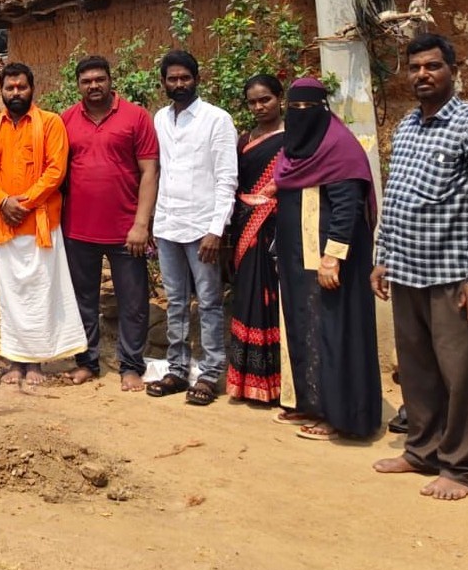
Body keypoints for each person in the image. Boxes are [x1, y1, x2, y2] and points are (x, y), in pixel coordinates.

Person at [371, 34, 468, 500]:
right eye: (415, 67)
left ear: (452, 69)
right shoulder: (405, 126)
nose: (423, 75)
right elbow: (396, 200)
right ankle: (421, 450)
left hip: (451, 275)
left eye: (432, 67)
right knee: (417, 368)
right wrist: (382, 260)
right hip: (406, 270)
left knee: (462, 374)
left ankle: (461, 468)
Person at [272, 77, 381, 441]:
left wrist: (333, 257)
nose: (299, 115)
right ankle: (310, 401)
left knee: (335, 330)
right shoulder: (294, 150)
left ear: (322, 110)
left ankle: (342, 415)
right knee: (304, 326)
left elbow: (348, 206)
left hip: (329, 259)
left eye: (307, 109)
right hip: (297, 256)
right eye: (294, 108)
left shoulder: (339, 148)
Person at [0, 63, 86, 384]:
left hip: (40, 225)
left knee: (40, 295)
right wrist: (2, 200)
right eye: (10, 88)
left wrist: (24, 202)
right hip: (4, 224)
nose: (16, 93)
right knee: (8, 296)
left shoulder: (50, 123)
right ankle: (13, 360)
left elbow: (55, 170)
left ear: (32, 88)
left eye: (21, 87)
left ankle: (35, 362)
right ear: (2, 92)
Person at [61, 55, 160, 391]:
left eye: (99, 79)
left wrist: (141, 224)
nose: (94, 86)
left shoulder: (136, 117)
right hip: (77, 229)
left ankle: (131, 366)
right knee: (82, 300)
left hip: (126, 230)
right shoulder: (66, 121)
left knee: (133, 301)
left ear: (110, 80)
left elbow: (149, 171)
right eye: (86, 81)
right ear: (78, 85)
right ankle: (87, 362)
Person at [146, 50, 238, 406]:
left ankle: (212, 372)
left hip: (203, 228)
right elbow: (160, 172)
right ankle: (178, 369)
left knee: (211, 302)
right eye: (172, 79)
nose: (179, 84)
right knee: (176, 302)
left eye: (185, 78)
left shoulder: (217, 120)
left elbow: (226, 179)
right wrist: (155, 220)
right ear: (164, 83)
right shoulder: (160, 119)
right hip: (169, 225)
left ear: (196, 79)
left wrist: (217, 229)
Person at [226, 74, 286, 405]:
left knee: (270, 301)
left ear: (280, 98)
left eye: (266, 99)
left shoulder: (292, 138)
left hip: (276, 230)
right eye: (253, 102)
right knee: (246, 297)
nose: (260, 106)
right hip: (245, 226)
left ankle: (275, 383)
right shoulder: (245, 139)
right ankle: (245, 380)